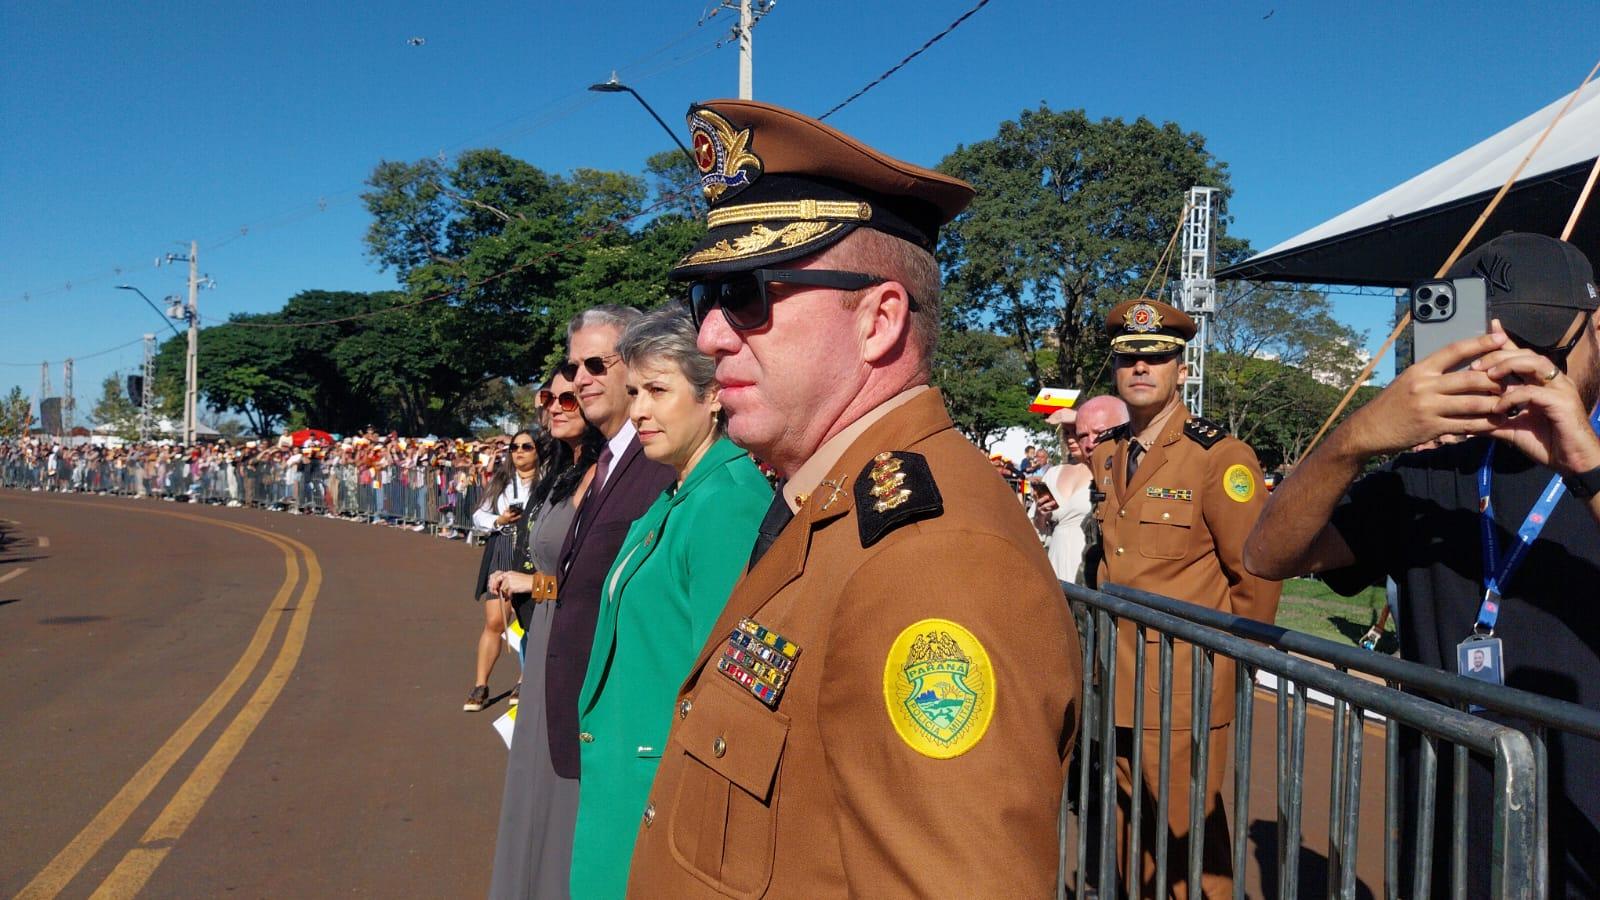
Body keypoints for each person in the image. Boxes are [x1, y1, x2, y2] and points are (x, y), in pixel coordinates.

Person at [625, 99, 1082, 898]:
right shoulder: (828, 508)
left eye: (747, 292)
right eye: (704, 299)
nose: (710, 336)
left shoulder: (933, 563)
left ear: (879, 320)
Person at [1243, 233, 1600, 897]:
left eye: (1544, 352)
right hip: (1453, 833)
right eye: (1488, 353)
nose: (1518, 372)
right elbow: (1267, 555)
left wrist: (1588, 470)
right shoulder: (1431, 474)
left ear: (1596, 329)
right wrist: (1354, 441)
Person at [568, 306, 771, 899]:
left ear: (713, 397)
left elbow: (723, 689)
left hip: (662, 789)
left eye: (657, 390)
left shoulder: (726, 500)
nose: (638, 411)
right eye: (632, 392)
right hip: (628, 773)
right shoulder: (679, 491)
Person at [1088, 297, 1281, 899]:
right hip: (1117, 676)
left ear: (1181, 369)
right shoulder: (1108, 453)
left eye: (1157, 357)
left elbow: (1256, 573)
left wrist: (1229, 664)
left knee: (1186, 830)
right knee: (1127, 823)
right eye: (1129, 359)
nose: (1141, 368)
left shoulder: (1219, 457)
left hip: (1182, 684)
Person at [490, 306, 675, 900]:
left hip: (610, 711)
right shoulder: (597, 463)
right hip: (562, 678)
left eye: (597, 363)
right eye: (572, 368)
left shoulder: (659, 464)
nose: (577, 381)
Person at [486, 368, 602, 900]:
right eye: (548, 396)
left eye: (570, 396)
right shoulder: (561, 468)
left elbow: (590, 581)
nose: (557, 405)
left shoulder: (611, 473)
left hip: (569, 641)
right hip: (541, 639)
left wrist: (536, 582)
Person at [463, 427, 538, 712]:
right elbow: (478, 515)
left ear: (538, 451)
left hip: (533, 549)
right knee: (495, 621)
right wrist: (500, 519)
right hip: (504, 547)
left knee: (533, 619)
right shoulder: (501, 482)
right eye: (515, 447)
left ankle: (524, 679)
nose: (519, 451)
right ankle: (480, 685)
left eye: (526, 446)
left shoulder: (548, 482)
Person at [1036, 395, 1130, 584]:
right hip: (1055, 561)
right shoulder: (1054, 473)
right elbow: (1040, 532)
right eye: (1067, 433)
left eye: (1076, 432)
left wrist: (1077, 415)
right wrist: (1041, 514)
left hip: (1090, 566)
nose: (1072, 439)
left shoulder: (1109, 470)